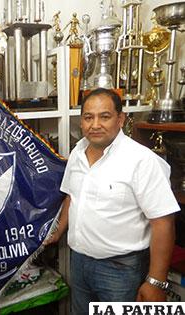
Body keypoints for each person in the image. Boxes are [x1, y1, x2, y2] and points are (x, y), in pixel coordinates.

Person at [45, 88, 180, 314]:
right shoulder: (77, 153)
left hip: (120, 270)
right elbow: (72, 196)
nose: (95, 124)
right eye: (88, 117)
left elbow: (163, 222)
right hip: (78, 263)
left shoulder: (141, 160)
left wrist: (156, 281)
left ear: (120, 119)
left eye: (104, 116)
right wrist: (58, 232)